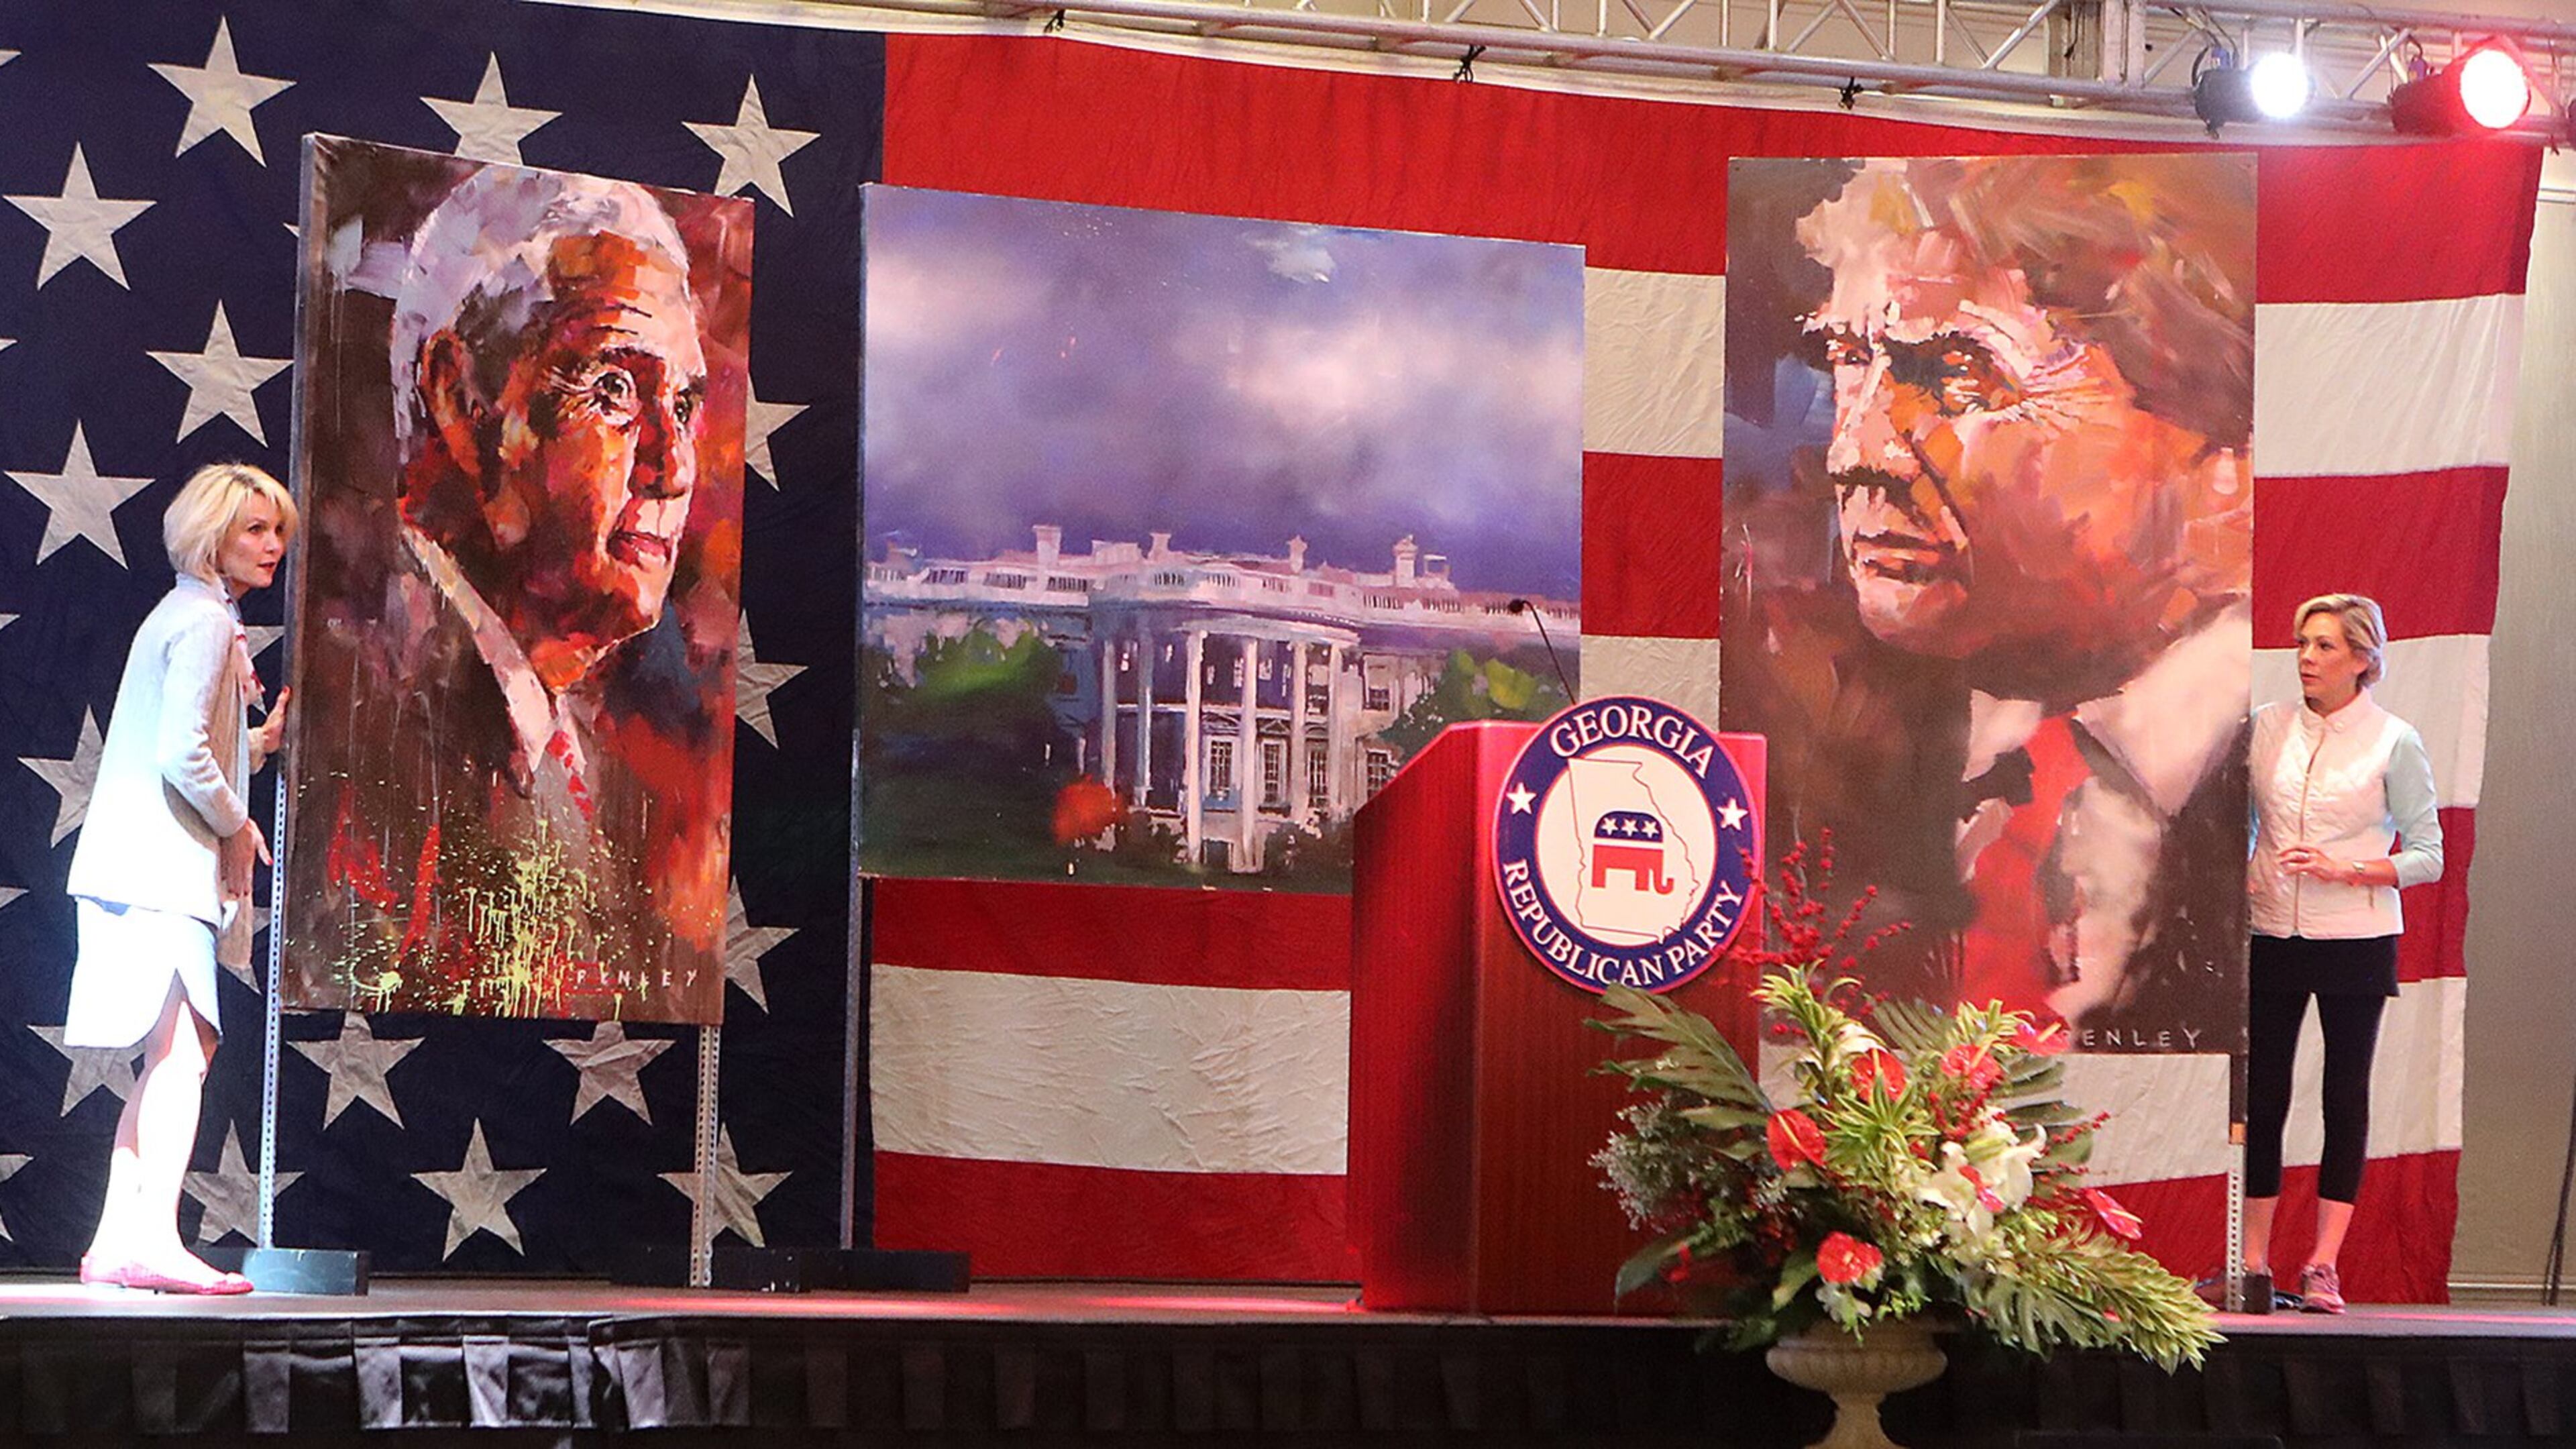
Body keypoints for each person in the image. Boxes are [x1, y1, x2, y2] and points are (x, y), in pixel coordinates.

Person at [1739, 154, 2255, 1040]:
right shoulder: (1847, 760)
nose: (1864, 452)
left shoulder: (2264, 789)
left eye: (1958, 376)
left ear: (2221, 467)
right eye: (1851, 362)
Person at [284, 162, 727, 1020]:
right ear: (459, 397)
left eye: (685, 403)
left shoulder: (585, 755)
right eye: (612, 389)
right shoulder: (378, 714)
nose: (673, 467)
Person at [62, 463, 296, 1294]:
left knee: (172, 1055)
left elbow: (186, 744)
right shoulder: (200, 622)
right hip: (159, 868)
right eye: (254, 530)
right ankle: (154, 1240)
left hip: (141, 864)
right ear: (212, 536)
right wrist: (239, 823)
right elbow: (178, 756)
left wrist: (255, 745)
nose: (273, 546)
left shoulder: (195, 617)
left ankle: (119, 1238)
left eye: (277, 531)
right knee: (182, 1057)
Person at [2241, 594, 2443, 1314]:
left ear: (2363, 659)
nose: (2306, 658)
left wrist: (2350, 869)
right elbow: (2233, 819)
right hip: (2272, 932)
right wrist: (2245, 869)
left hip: (2356, 938)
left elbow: (2428, 855)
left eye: (2325, 646)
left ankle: (2323, 1263)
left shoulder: (2394, 740)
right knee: (2262, 1096)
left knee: (2342, 1095)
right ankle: (2253, 1263)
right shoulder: (2266, 729)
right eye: (2302, 643)